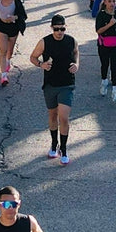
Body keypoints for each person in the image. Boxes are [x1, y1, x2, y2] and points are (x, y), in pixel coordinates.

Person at [30, 12, 78, 164]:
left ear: (65, 28)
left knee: (63, 117)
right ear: (51, 28)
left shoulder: (71, 41)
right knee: (52, 116)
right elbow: (33, 57)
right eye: (56, 29)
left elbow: (76, 53)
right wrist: (41, 65)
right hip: (50, 84)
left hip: (67, 84)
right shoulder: (45, 42)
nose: (59, 32)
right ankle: (53, 143)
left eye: (62, 29)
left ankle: (63, 149)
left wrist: (76, 64)